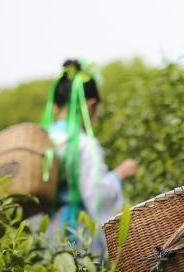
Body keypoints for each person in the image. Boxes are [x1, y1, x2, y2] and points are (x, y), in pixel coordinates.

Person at [27, 59, 138, 256]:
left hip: (39, 237)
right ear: (91, 105)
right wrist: (118, 175)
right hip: (73, 237)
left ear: (54, 106)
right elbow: (98, 198)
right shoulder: (83, 145)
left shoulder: (39, 142)